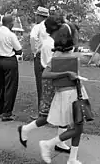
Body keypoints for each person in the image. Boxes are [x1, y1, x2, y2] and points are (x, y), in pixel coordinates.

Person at [17, 15, 71, 154]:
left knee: (63, 111)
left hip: (57, 79)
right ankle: (26, 129)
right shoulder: (50, 44)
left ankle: (61, 142)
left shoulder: (53, 41)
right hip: (52, 80)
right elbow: (52, 66)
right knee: (48, 114)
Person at [38, 22, 88, 164]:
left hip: (74, 91)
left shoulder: (68, 53)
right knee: (77, 127)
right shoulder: (58, 55)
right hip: (68, 94)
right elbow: (45, 74)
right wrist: (66, 73)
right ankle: (48, 144)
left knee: (78, 126)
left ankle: (72, 158)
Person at [0, 14, 22, 122]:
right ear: (9, 23)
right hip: (9, 60)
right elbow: (19, 50)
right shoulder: (11, 34)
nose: (13, 24)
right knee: (10, 87)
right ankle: (7, 113)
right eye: (12, 22)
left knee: (1, 85)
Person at [30, 6, 50, 119]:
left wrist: (34, 52)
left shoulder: (37, 27)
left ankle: (42, 111)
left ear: (39, 16)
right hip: (51, 57)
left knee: (40, 84)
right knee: (51, 84)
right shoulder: (53, 26)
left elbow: (33, 39)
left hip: (40, 56)